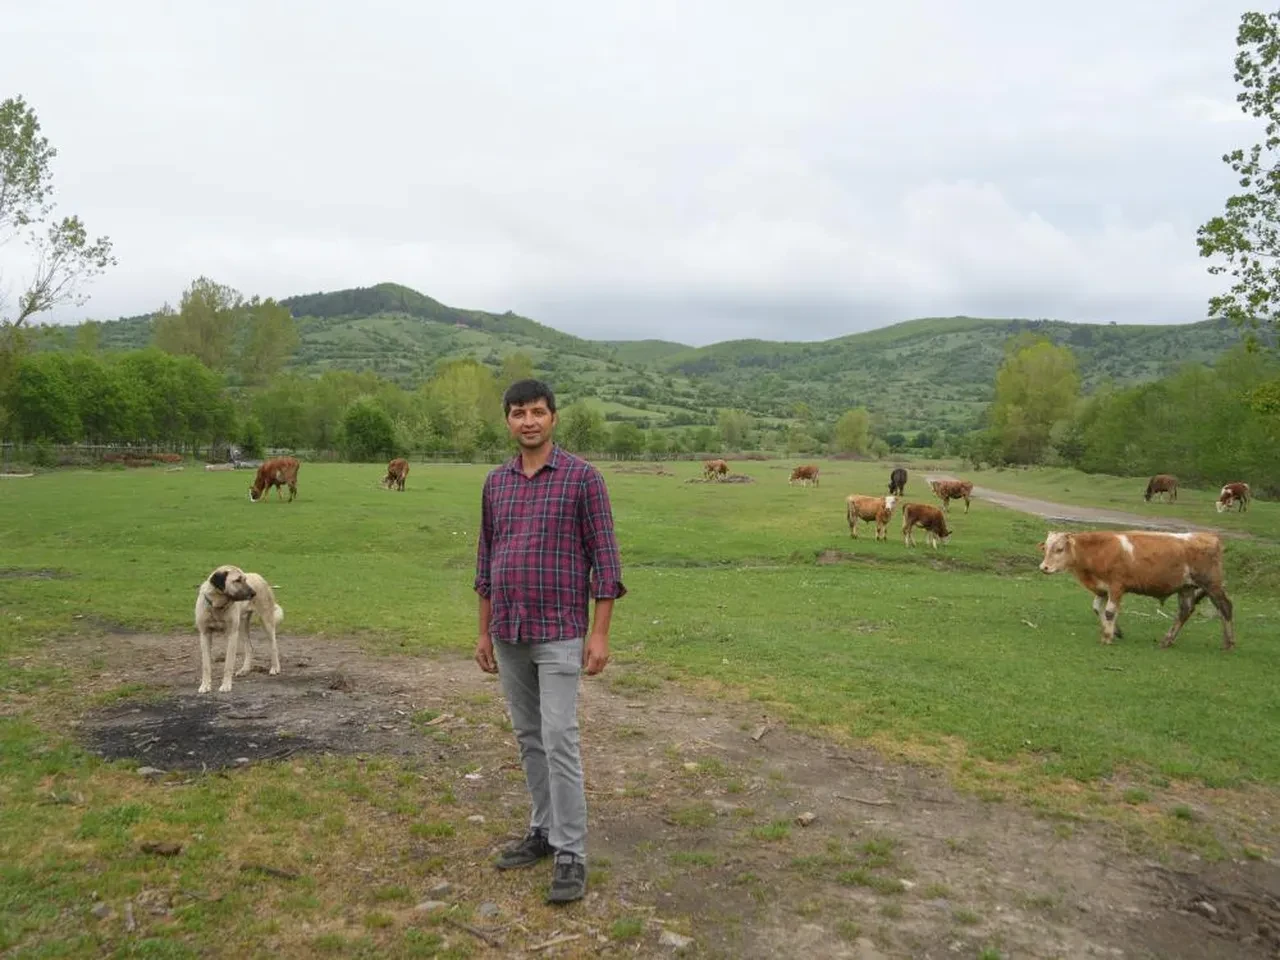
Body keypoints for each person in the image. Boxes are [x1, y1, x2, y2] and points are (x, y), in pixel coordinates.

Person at [473, 377, 626, 903]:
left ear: (553, 418)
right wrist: (483, 632)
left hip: (561, 631)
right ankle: (542, 830)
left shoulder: (584, 479)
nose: (529, 421)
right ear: (508, 421)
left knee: (560, 737)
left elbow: (606, 563)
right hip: (509, 630)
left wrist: (600, 634)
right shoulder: (496, 483)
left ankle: (571, 852)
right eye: (518, 413)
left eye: (538, 411)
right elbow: (486, 562)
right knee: (529, 736)